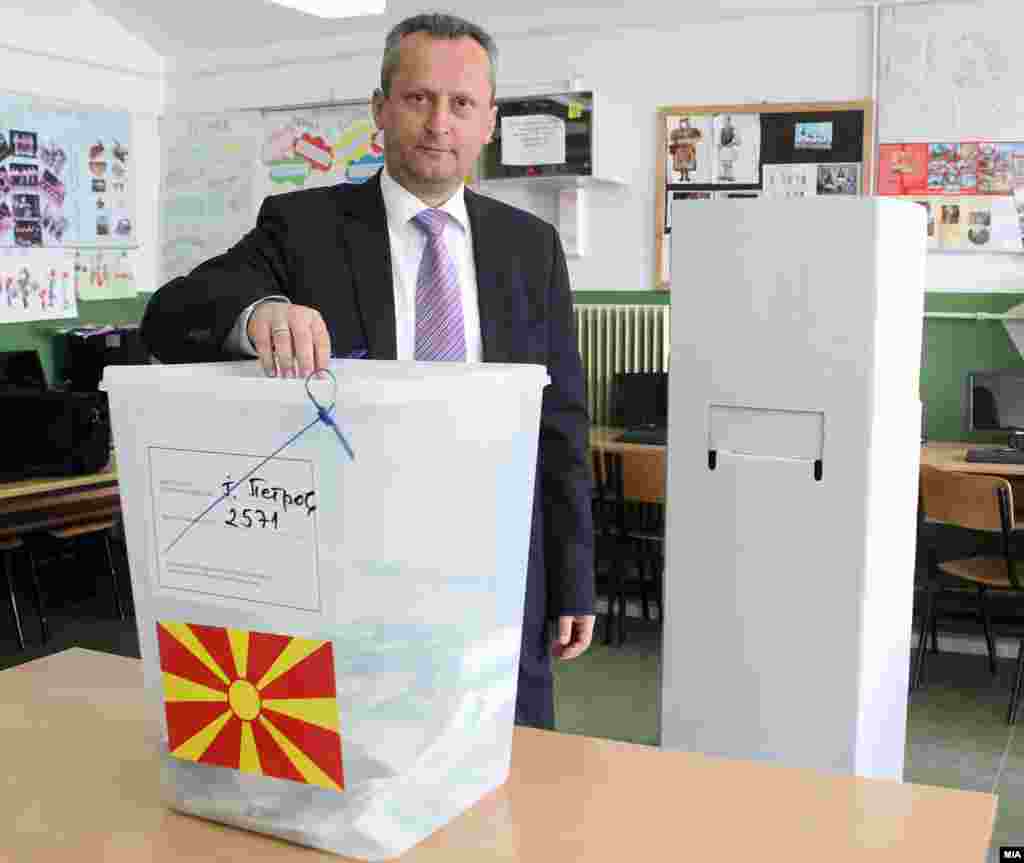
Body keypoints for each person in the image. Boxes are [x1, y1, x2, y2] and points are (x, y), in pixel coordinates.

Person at [139, 12, 596, 730]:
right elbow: (169, 315)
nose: (439, 122)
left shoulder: (530, 249)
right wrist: (259, 311)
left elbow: (562, 420)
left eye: (462, 104)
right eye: (418, 98)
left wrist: (574, 576)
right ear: (380, 109)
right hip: (356, 572)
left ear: (488, 122)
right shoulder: (304, 228)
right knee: (363, 770)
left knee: (510, 774)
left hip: (500, 566)